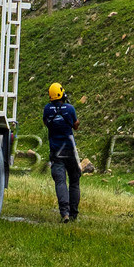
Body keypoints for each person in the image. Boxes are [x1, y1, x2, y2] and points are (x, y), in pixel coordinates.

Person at [43, 80, 81, 222]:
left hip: (55, 150)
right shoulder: (70, 109)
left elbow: (46, 123)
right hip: (70, 150)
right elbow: (75, 125)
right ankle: (74, 214)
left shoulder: (47, 109)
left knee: (60, 182)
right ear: (62, 94)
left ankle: (64, 213)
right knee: (74, 181)